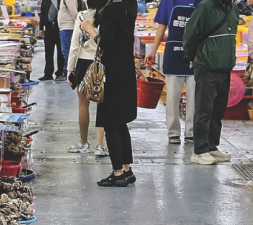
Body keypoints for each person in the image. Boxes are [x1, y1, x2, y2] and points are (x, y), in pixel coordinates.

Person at [81, 0, 138, 186]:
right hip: (126, 70)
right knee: (121, 122)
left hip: (112, 74)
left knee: (110, 122)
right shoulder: (129, 7)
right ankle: (127, 169)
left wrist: (90, 29)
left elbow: (106, 44)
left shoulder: (112, 10)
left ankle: (118, 173)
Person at [182, 0, 240, 163]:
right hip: (206, 67)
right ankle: (199, 151)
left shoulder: (233, 10)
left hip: (225, 68)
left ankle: (211, 147)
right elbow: (190, 34)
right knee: (204, 109)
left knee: (218, 110)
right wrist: (192, 57)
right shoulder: (205, 7)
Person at [145, 0, 199, 144]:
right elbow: (162, 27)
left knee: (194, 97)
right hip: (174, 54)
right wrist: (153, 51)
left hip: (195, 54)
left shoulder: (202, 1)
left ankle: (191, 132)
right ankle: (173, 132)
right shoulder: (168, 1)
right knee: (173, 97)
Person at [65, 0, 107, 156]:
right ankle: (100, 146)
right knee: (102, 104)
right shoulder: (107, 15)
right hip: (103, 61)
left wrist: (70, 69)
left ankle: (83, 143)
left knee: (83, 104)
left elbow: (74, 44)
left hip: (83, 62)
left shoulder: (82, 16)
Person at [40, 0, 66, 80]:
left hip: (59, 27)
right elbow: (42, 13)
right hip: (48, 27)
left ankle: (60, 72)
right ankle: (48, 73)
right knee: (48, 51)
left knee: (60, 52)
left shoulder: (62, 1)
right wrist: (41, 28)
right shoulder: (45, 1)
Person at [57, 0, 82, 80]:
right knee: (65, 51)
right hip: (65, 28)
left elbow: (74, 13)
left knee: (67, 52)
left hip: (68, 28)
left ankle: (67, 74)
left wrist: (78, 25)